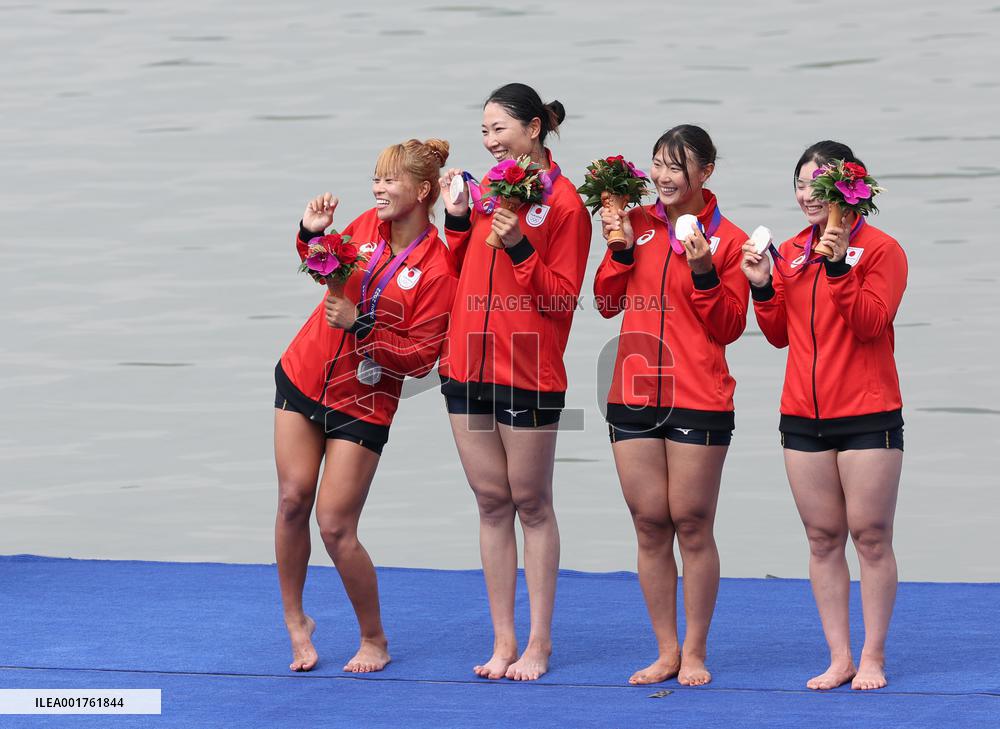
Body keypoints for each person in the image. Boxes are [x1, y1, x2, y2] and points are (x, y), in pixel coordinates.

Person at [274, 138, 457, 674]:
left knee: (335, 525)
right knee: (292, 499)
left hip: (364, 401)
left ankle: (374, 638)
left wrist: (362, 326)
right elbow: (321, 267)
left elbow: (421, 358)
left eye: (390, 179)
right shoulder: (363, 227)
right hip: (304, 374)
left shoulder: (439, 267)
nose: (378, 187)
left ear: (422, 191)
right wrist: (310, 234)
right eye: (376, 177)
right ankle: (296, 620)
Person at [436, 83, 591, 681]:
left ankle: (539, 643)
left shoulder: (566, 204)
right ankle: (502, 641)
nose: (490, 141)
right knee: (491, 502)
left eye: (499, 129)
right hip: (466, 369)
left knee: (531, 503)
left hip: (527, 372)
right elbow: (455, 270)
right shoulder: (489, 192)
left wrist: (521, 245)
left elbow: (562, 299)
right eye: (484, 130)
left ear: (534, 129)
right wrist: (456, 220)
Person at [741, 140, 907, 691]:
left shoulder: (882, 249)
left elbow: (870, 324)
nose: (808, 193)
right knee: (821, 538)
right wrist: (763, 286)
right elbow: (778, 335)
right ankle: (840, 657)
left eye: (820, 184)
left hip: (867, 414)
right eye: (800, 183)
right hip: (802, 416)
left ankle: (873, 656)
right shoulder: (790, 251)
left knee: (871, 536)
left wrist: (837, 266)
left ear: (849, 190)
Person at [593, 125, 749, 686]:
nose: (663, 176)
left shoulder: (728, 239)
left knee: (692, 522)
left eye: (676, 166)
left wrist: (703, 269)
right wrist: (618, 249)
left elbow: (730, 326)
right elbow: (605, 302)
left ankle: (696, 651)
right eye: (657, 163)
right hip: (633, 394)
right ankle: (665, 650)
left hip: (699, 396)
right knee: (649, 523)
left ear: (705, 172)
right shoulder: (634, 223)